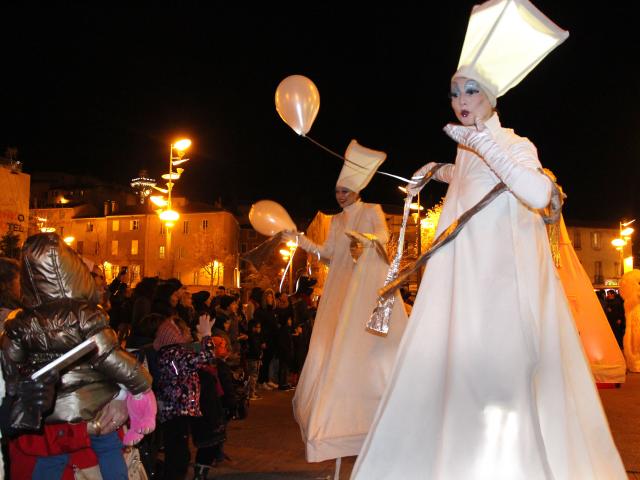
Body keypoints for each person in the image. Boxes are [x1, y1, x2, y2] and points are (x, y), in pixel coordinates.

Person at [351, 2, 626, 478]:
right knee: (453, 390)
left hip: (499, 295)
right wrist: (436, 170)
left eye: (472, 90)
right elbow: (469, 177)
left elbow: (539, 192)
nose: (461, 98)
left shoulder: (514, 145)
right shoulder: (467, 149)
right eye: (455, 91)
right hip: (458, 293)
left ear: (492, 97)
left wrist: (483, 143)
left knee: (499, 395)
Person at [284, 139, 409, 468]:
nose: (340, 196)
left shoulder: (371, 211)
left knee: (368, 349)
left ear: (356, 189)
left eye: (345, 190)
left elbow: (383, 238)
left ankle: (381, 423)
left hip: (367, 289)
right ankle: (337, 425)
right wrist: (300, 240)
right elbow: (327, 254)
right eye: (337, 190)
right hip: (341, 291)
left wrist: (364, 240)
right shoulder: (337, 221)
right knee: (333, 349)